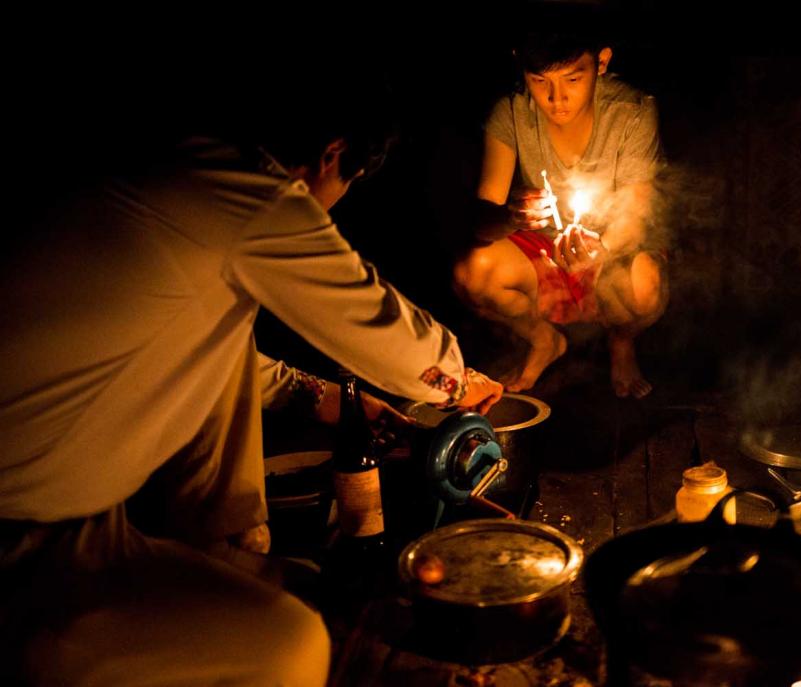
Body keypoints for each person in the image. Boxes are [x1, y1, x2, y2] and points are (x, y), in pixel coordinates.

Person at [0, 91, 502, 684]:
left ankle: (222, 547)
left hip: (74, 516)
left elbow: (219, 354)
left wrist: (329, 400)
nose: (335, 207)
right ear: (331, 154)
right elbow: (380, 329)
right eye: (348, 182)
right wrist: (457, 380)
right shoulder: (252, 198)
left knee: (226, 332)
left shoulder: (179, 169)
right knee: (290, 647)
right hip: (24, 543)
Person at [452, 18, 668, 398]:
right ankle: (543, 341)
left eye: (572, 78)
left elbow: (634, 219)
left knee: (646, 283)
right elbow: (480, 223)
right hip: (541, 251)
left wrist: (599, 250)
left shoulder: (631, 112)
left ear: (601, 63)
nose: (557, 98)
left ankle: (621, 341)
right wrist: (511, 217)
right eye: (540, 81)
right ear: (521, 65)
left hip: (610, 249)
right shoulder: (512, 113)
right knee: (471, 272)